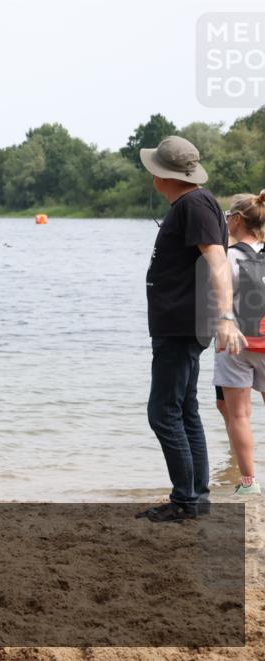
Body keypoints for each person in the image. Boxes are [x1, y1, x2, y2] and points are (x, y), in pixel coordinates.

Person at [136, 135, 246, 523]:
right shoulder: (194, 203)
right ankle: (195, 498)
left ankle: (187, 500)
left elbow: (217, 261)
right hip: (182, 323)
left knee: (163, 412)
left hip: (182, 325)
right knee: (183, 409)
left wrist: (227, 317)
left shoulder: (195, 204)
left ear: (159, 175)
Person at [214, 191, 265, 495]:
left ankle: (249, 483)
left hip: (237, 343)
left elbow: (213, 302)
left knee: (239, 415)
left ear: (235, 220)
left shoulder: (225, 256)